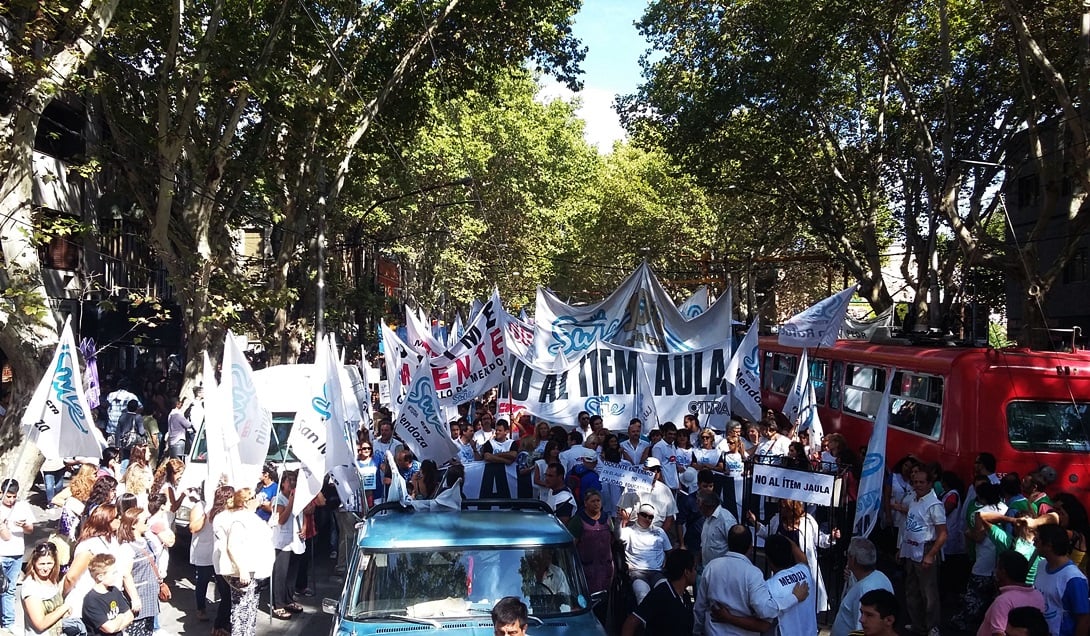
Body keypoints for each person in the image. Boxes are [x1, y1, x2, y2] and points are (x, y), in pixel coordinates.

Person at [748, 498, 834, 613]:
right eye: (780, 506)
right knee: (786, 600)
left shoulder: (807, 521)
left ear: (792, 509)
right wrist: (755, 522)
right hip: (783, 569)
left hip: (801, 570)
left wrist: (831, 538)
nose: (781, 510)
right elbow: (767, 533)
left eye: (784, 507)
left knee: (805, 599)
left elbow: (819, 539)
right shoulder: (777, 520)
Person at [692, 524, 779, 636]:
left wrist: (697, 631)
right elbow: (765, 611)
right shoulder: (753, 574)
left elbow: (699, 607)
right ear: (750, 546)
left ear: (728, 543)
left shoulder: (711, 567)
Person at [898, 467, 947, 636]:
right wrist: (901, 548)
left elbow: (943, 534)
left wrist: (931, 555)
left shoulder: (935, 505)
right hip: (910, 549)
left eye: (921, 482)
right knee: (912, 590)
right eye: (915, 482)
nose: (917, 485)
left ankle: (932, 626)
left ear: (929, 484)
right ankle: (917, 624)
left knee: (929, 593)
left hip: (926, 549)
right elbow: (910, 525)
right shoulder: (914, 501)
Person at [221, 488, 275, 636]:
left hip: (255, 572)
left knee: (250, 610)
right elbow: (232, 545)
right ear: (246, 502)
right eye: (254, 498)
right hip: (244, 572)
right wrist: (243, 569)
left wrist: (270, 524)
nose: (258, 500)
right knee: (241, 613)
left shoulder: (250, 517)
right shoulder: (239, 519)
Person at [620, 549, 696, 636]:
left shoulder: (686, 596)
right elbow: (631, 623)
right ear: (686, 572)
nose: (695, 572)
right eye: (694, 569)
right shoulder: (661, 594)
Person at [1033, 523, 1089, 636]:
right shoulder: (1041, 565)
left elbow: (1084, 619)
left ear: (1048, 545)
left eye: (1037, 540)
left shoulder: (1074, 579)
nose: (1034, 542)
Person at [831, 537, 893, 636]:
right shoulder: (881, 576)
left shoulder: (864, 590)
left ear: (853, 560)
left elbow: (863, 630)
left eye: (848, 555)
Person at [189, 484, 232, 623]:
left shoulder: (226, 508)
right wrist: (206, 514)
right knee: (203, 581)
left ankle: (224, 613)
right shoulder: (200, 506)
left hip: (219, 552)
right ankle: (200, 608)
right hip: (204, 550)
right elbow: (193, 528)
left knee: (223, 584)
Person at [21, 541, 82, 636]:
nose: (46, 568)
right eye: (41, 564)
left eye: (49, 563)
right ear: (33, 562)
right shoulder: (31, 588)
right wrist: (64, 607)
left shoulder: (51, 579)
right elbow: (40, 624)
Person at [978, 551, 1045, 636]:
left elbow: (998, 633)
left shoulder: (1003, 601)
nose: (995, 571)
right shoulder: (1038, 596)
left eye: (998, 568)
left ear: (1003, 572)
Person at [115, 507, 158, 636]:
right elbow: (126, 574)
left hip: (151, 595)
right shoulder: (127, 547)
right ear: (133, 524)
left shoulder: (147, 541)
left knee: (148, 631)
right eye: (145, 521)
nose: (148, 522)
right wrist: (135, 598)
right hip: (139, 596)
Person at [618, 503, 672, 603]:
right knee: (643, 595)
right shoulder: (629, 531)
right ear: (638, 515)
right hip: (637, 572)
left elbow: (669, 551)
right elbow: (619, 536)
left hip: (657, 572)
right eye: (644, 515)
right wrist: (623, 521)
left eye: (650, 517)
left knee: (665, 594)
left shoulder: (660, 531)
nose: (647, 519)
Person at [0, 478, 35, 630]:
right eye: (8, 496)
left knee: (10, 588)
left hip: (16, 553)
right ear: (1, 493)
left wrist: (25, 525)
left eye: (14, 496)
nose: (11, 499)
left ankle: (8, 621)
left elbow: (30, 530)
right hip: (1, 553)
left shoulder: (22, 506)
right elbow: (6, 537)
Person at [565, 489, 614, 595]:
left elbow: (613, 540)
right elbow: (571, 546)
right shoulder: (577, 521)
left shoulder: (607, 519)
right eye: (593, 501)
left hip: (605, 569)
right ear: (585, 503)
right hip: (585, 570)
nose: (596, 504)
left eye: (598, 500)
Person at [270, 472, 303, 619]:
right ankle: (278, 604)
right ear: (283, 483)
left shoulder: (299, 498)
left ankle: (289, 599)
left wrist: (305, 527)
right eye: (289, 481)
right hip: (282, 542)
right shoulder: (278, 499)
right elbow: (282, 520)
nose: (292, 484)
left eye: (294, 481)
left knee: (292, 573)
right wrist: (290, 501)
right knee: (280, 575)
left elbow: (306, 512)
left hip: (295, 540)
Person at [80, 554, 134, 636]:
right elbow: (109, 628)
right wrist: (121, 616)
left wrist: (116, 624)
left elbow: (130, 616)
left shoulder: (114, 591)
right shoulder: (91, 600)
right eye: (113, 573)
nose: (117, 575)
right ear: (100, 577)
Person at [697, 490, 737, 569]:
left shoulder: (726, 519)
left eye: (699, 502)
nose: (697, 506)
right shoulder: (707, 518)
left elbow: (735, 546)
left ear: (706, 505)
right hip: (706, 567)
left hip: (722, 569)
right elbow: (704, 544)